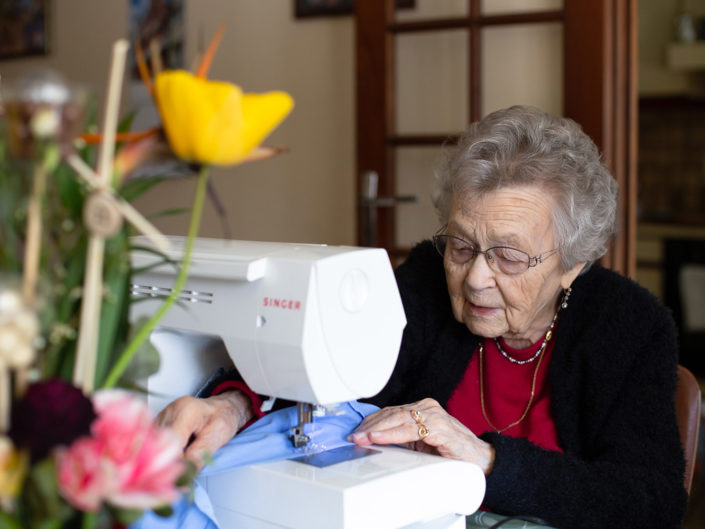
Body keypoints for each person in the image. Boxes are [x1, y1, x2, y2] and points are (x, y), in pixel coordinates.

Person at [157, 106, 687, 529]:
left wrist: (486, 460)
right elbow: (326, 364)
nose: (476, 277)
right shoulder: (429, 280)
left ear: (572, 263)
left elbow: (651, 501)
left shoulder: (628, 326)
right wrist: (232, 406)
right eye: (461, 244)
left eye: (508, 255)